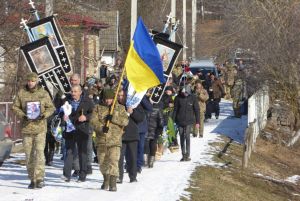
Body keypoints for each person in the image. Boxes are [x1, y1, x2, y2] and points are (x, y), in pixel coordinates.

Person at [12, 72, 55, 189]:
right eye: (29, 81)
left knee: (40, 153)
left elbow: (51, 107)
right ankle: (32, 178)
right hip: (27, 128)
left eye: (33, 81)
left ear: (37, 81)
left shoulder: (43, 93)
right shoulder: (22, 93)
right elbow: (14, 107)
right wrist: (23, 115)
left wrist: (44, 115)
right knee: (29, 154)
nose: (31, 83)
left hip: (40, 128)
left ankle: (40, 178)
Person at [90, 89, 128, 191]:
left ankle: (113, 183)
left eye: (110, 99)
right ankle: (106, 179)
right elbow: (93, 121)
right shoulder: (98, 108)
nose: (108, 101)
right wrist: (101, 127)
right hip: (101, 140)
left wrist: (114, 118)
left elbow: (125, 121)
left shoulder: (120, 108)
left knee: (114, 161)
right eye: (106, 99)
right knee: (103, 162)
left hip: (115, 140)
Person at [62, 85, 94, 182]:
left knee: (82, 153)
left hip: (82, 129)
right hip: (70, 129)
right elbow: (60, 111)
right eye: (72, 91)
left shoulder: (87, 101)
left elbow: (93, 113)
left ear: (80, 92)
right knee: (69, 152)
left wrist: (86, 117)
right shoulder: (66, 100)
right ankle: (66, 175)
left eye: (75, 92)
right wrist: (63, 116)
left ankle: (82, 175)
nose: (73, 94)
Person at [118, 90, 145, 183]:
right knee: (119, 157)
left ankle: (133, 176)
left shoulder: (134, 104)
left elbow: (141, 118)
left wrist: (132, 112)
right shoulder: (115, 105)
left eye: (122, 95)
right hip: (120, 135)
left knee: (132, 157)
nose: (120, 97)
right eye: (119, 95)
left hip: (132, 134)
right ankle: (119, 176)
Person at [173, 85, 200, 161]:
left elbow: (197, 110)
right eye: (184, 93)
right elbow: (175, 110)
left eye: (186, 93)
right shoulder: (178, 98)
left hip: (189, 121)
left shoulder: (193, 98)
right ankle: (183, 154)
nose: (185, 94)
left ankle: (188, 154)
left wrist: (197, 122)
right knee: (181, 137)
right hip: (179, 120)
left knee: (187, 136)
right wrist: (173, 121)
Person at [144, 102, 164, 168]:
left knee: (150, 145)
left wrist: (160, 129)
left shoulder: (156, 108)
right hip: (149, 129)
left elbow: (161, 120)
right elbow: (161, 120)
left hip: (153, 129)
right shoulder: (157, 108)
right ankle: (149, 161)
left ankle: (150, 161)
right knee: (150, 145)